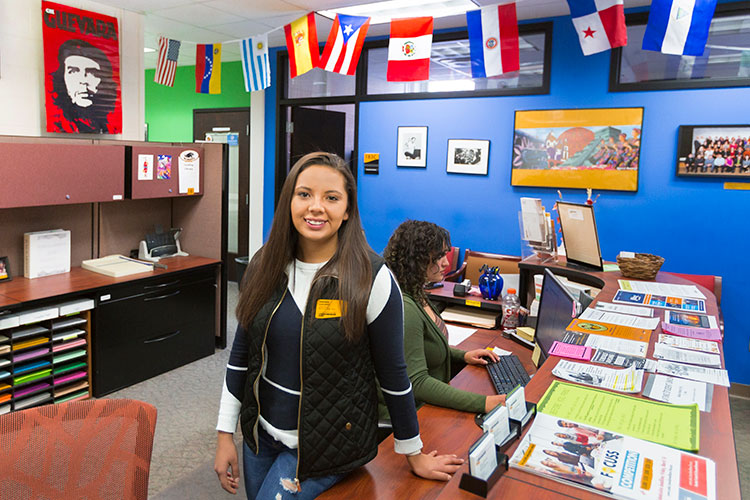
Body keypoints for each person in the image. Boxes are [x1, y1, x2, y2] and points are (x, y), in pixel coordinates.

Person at [214, 152, 462, 499]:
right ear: (289, 201)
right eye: (304, 194)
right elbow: (241, 356)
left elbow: (394, 375)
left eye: (331, 198)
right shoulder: (264, 265)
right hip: (261, 437)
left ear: (347, 210)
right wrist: (225, 433)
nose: (316, 207)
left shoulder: (371, 279)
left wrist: (413, 451)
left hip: (325, 448)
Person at [382, 220, 505, 417]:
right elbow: (418, 383)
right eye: (439, 257)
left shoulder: (417, 293)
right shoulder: (406, 309)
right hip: (414, 414)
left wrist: (463, 356)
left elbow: (423, 349)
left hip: (428, 403)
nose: (446, 263)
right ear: (416, 260)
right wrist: (484, 403)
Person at [49, 39, 118, 133]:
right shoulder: (57, 124)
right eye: (73, 71)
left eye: (92, 72)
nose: (83, 80)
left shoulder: (109, 126)